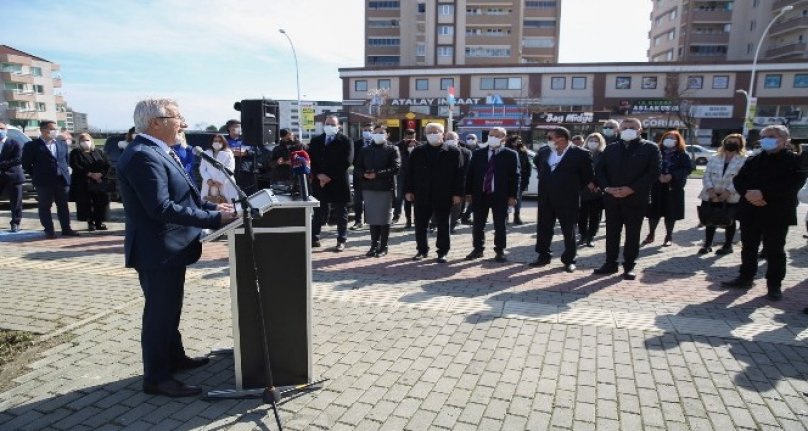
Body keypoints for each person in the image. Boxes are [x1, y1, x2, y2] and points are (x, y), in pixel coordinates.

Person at [117, 98, 237, 397]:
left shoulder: (157, 150)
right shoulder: (143, 155)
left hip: (168, 248)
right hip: (157, 249)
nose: (182, 123)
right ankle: (156, 378)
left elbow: (183, 195)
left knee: (170, 309)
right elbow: (160, 207)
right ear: (155, 122)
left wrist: (212, 205)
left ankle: (175, 358)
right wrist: (213, 216)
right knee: (159, 315)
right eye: (176, 117)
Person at [722, 125, 807, 301]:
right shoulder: (754, 160)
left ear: (784, 140)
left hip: (777, 212)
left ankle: (774, 285)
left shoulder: (794, 161)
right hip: (750, 210)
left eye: (772, 136)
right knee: (749, 247)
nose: (767, 139)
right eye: (764, 136)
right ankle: (745, 277)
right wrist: (748, 193)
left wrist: (764, 193)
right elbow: (739, 180)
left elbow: (794, 184)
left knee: (775, 250)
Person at [593, 118, 661, 280]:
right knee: (611, 233)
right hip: (612, 198)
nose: (628, 130)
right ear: (619, 130)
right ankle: (610, 263)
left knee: (633, 234)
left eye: (632, 127)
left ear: (640, 130)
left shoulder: (650, 148)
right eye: (625, 127)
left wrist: (631, 189)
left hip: (636, 199)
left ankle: (629, 266)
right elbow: (600, 170)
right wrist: (607, 188)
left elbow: (653, 172)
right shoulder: (611, 149)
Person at [530, 126, 594, 272]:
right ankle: (543, 255)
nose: (548, 140)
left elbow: (588, 176)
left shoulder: (581, 154)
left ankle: (569, 259)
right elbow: (538, 164)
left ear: (562, 138)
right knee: (544, 227)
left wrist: (571, 187)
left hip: (568, 198)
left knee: (568, 230)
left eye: (550, 137)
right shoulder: (544, 151)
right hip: (546, 197)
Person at [404, 122, 464, 263]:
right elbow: (409, 173)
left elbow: (460, 175)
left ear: (443, 134)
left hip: (444, 194)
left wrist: (457, 193)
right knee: (420, 224)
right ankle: (422, 250)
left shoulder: (453, 152)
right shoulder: (418, 151)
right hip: (421, 194)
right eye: (429, 132)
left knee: (443, 224)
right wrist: (408, 190)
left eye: (435, 131)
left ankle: (442, 252)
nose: (432, 134)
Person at [465, 127, 520, 263]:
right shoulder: (478, 153)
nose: (492, 137)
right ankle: (478, 249)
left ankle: (500, 251)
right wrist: (468, 193)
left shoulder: (511, 154)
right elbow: (470, 174)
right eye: (491, 135)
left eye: (497, 135)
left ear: (504, 138)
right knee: (478, 224)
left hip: (500, 195)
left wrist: (513, 196)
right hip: (480, 194)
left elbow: (516, 177)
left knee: (500, 225)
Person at [21, 120, 79, 238]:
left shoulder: (61, 144)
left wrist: (65, 174)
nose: (54, 131)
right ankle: (49, 230)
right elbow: (26, 164)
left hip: (61, 180)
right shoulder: (32, 146)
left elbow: (65, 161)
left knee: (63, 205)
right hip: (44, 182)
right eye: (52, 129)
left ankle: (66, 228)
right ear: (43, 130)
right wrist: (36, 175)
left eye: (55, 129)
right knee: (45, 206)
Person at [309, 115, 353, 252]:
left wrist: (329, 176)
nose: (329, 126)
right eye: (327, 124)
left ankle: (341, 239)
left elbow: (347, 161)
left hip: (338, 180)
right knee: (318, 211)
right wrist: (319, 175)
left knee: (341, 212)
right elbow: (311, 160)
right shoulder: (316, 140)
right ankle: (314, 237)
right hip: (320, 181)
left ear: (338, 126)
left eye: (332, 124)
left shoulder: (346, 141)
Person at [698, 134, 747, 255]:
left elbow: (742, 178)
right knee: (710, 219)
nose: (731, 144)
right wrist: (711, 191)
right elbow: (706, 175)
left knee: (729, 220)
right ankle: (707, 244)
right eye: (729, 141)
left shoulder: (744, 159)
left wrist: (728, 192)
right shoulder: (715, 157)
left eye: (735, 142)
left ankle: (727, 245)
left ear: (740, 145)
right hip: (711, 195)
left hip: (731, 196)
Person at [355, 125, 400, 257]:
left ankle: (383, 246)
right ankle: (374, 245)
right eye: (375, 132)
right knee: (372, 218)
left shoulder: (392, 149)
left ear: (387, 134)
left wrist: (377, 174)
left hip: (385, 188)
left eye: (381, 132)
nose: (378, 135)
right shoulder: (365, 150)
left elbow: (396, 168)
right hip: (368, 188)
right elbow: (357, 167)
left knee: (384, 219)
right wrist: (364, 174)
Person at [642, 130, 693, 247]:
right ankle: (651, 234)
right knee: (653, 212)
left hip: (673, 187)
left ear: (678, 141)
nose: (669, 140)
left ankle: (668, 236)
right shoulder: (656, 151)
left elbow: (687, 169)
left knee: (671, 213)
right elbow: (647, 166)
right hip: (656, 186)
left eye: (672, 138)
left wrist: (672, 175)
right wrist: (658, 175)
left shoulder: (682, 154)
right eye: (667, 137)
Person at [69, 133, 111, 231]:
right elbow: (75, 165)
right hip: (84, 182)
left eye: (87, 140)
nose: (86, 142)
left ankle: (99, 222)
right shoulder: (75, 153)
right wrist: (90, 174)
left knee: (100, 203)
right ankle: (90, 222)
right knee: (87, 204)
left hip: (99, 182)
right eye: (83, 140)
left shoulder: (98, 152)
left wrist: (101, 174)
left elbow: (107, 165)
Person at [578, 133, 606, 247]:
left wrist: (597, 184)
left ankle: (591, 236)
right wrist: (587, 182)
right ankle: (582, 235)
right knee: (582, 215)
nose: (593, 143)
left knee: (595, 215)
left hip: (597, 190)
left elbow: (604, 171)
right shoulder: (581, 153)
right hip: (583, 189)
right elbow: (578, 171)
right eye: (591, 140)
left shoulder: (603, 155)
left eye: (596, 141)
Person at [199, 134, 238, 204]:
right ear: (211, 142)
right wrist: (208, 179)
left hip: (225, 183)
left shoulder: (228, 153)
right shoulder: (205, 153)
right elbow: (202, 169)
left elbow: (230, 168)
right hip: (209, 184)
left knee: (230, 204)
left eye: (220, 141)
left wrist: (219, 181)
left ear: (223, 142)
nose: (217, 143)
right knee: (209, 205)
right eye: (215, 141)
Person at [0, 122, 24, 232]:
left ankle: (15, 222)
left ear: (6, 130)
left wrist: (2, 164)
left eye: (1, 128)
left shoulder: (14, 143)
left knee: (16, 202)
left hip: (13, 175)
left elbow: (18, 159)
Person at [446, 130, 472, 234]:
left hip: (460, 183)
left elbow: (468, 169)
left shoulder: (466, 152)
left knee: (457, 207)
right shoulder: (440, 150)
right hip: (443, 184)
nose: (449, 141)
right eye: (447, 138)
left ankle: (451, 226)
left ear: (457, 140)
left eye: (452, 138)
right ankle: (435, 224)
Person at [394, 129, 418, 228]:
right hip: (402, 175)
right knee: (401, 196)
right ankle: (399, 216)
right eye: (408, 137)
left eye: (412, 137)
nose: (410, 139)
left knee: (416, 199)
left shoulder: (419, 145)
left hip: (416, 177)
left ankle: (416, 220)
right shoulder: (398, 146)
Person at [505, 135, 531, 225]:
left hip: (520, 179)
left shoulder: (523, 151)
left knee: (518, 199)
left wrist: (526, 179)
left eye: (520, 140)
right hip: (507, 179)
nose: (519, 141)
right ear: (511, 141)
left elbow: (528, 166)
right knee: (506, 198)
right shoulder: (506, 150)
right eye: (516, 140)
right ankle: (506, 216)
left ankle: (517, 216)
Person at [225, 119, 257, 193]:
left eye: (240, 127)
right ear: (229, 128)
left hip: (246, 171)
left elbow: (257, 152)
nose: (239, 129)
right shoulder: (223, 140)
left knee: (247, 194)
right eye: (237, 127)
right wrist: (230, 152)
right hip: (229, 171)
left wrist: (245, 153)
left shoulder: (247, 139)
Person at [351, 124, 373, 230]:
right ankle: (358, 221)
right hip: (359, 176)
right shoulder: (356, 144)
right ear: (362, 131)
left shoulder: (376, 143)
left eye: (369, 130)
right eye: (365, 130)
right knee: (358, 200)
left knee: (370, 200)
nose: (367, 132)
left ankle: (369, 221)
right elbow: (352, 159)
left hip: (373, 177)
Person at [460, 133, 480, 224]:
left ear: (477, 139)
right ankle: (461, 216)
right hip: (464, 178)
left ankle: (466, 215)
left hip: (475, 178)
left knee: (475, 199)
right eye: (468, 138)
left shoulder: (480, 151)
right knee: (463, 199)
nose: (470, 139)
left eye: (472, 138)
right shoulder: (462, 149)